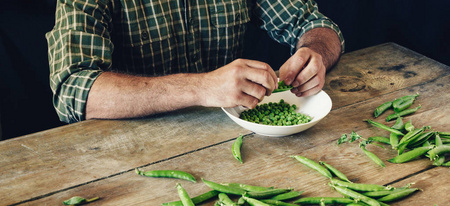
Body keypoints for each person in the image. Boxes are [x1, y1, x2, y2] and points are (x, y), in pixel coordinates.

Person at [46, 0, 344, 123]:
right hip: (138, 154)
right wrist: (202, 87)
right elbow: (73, 91)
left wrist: (315, 52)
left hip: (235, 139)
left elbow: (314, 23)